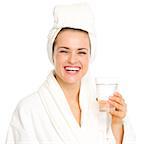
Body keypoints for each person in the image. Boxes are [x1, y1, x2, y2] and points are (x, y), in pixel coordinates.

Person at [6, 3, 135, 144]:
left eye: (81, 52)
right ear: (52, 54)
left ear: (90, 56)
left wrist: (116, 122)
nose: (72, 60)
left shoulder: (104, 105)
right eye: (64, 51)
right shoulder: (28, 109)